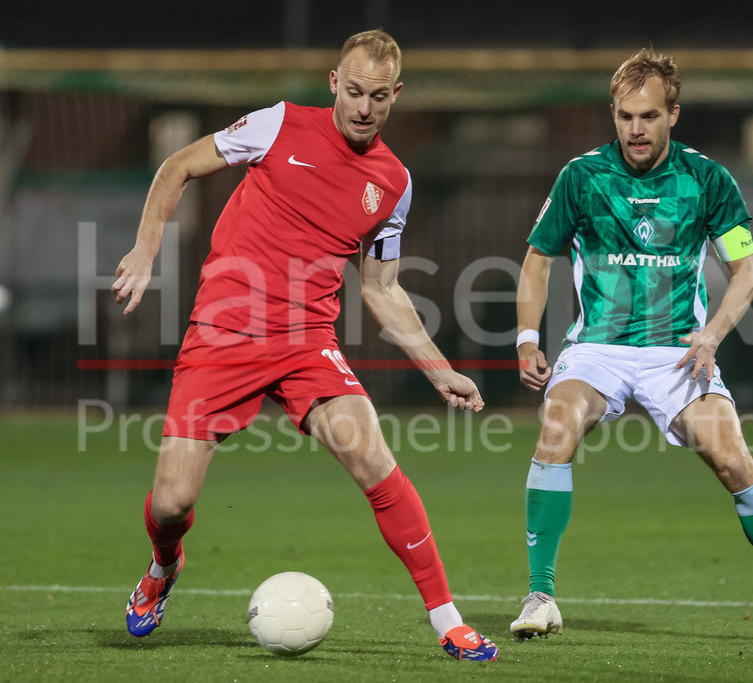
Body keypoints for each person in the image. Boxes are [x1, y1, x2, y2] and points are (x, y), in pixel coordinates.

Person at [112, 30, 498, 662]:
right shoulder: (278, 124)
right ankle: (163, 566)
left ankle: (448, 620)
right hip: (223, 330)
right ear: (333, 84)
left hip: (304, 340)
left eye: (378, 96)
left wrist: (439, 370)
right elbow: (178, 165)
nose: (364, 107)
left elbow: (381, 287)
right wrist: (147, 246)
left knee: (373, 457)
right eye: (353, 92)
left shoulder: (394, 183)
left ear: (395, 95)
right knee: (172, 502)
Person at [509, 48, 753, 646]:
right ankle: (540, 595)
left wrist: (712, 334)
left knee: (732, 459)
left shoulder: (708, 179)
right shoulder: (581, 176)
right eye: (623, 117)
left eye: (647, 116)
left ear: (674, 114)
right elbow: (537, 259)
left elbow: (745, 270)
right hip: (599, 347)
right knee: (557, 424)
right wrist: (526, 338)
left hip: (677, 349)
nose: (634, 129)